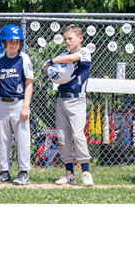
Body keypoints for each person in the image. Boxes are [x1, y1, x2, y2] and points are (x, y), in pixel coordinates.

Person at [42, 25, 94, 186]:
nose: (67, 41)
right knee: (63, 137)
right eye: (65, 39)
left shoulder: (84, 52)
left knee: (78, 135)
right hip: (61, 99)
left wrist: (51, 61)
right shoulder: (62, 56)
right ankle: (69, 173)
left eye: (70, 38)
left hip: (77, 100)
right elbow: (44, 71)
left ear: (80, 38)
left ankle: (85, 171)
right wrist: (48, 69)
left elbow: (72, 59)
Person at [0, 25, 34, 186]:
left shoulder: (24, 58)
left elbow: (29, 83)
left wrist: (25, 106)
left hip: (18, 102)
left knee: (22, 138)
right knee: (3, 139)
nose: (14, 45)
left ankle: (23, 172)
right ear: (3, 42)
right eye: (10, 41)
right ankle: (4, 171)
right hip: (2, 103)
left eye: (17, 41)